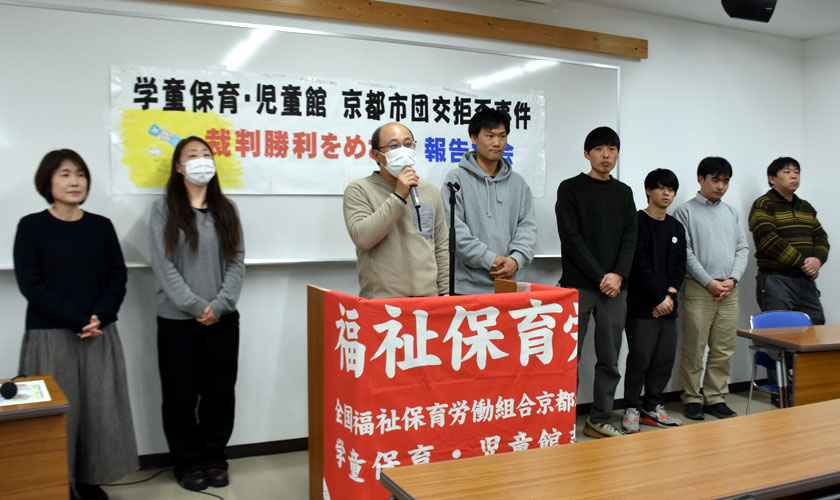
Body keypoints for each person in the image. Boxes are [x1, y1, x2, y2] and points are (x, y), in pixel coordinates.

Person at [13, 149, 138, 500]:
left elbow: (117, 277)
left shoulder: (101, 226)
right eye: (65, 174)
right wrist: (78, 319)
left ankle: (89, 481)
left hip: (99, 332)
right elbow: (31, 284)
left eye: (80, 174)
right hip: (50, 334)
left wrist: (101, 316)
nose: (74, 181)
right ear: (48, 181)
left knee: (100, 411)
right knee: (57, 415)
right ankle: (58, 484)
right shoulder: (31, 226)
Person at [149, 136, 245, 491]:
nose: (201, 160)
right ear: (179, 167)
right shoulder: (164, 210)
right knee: (180, 395)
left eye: (206, 154)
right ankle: (187, 462)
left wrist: (218, 305)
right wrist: (195, 306)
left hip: (222, 318)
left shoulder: (227, 208)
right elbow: (163, 265)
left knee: (220, 393)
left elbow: (237, 261)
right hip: (177, 321)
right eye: (192, 155)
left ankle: (215, 458)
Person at [555, 126, 637, 438]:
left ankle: (600, 418)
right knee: (568, 359)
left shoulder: (624, 193)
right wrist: (601, 276)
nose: (606, 155)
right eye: (600, 149)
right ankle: (562, 421)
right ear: (587, 153)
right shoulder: (570, 188)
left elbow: (630, 238)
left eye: (612, 149)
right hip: (578, 286)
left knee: (610, 359)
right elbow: (571, 238)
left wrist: (618, 275)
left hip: (615, 289)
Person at [674, 157, 748, 421]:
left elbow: (742, 248)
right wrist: (709, 282)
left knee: (723, 348)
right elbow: (685, 253)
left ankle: (715, 396)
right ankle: (692, 398)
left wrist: (733, 279)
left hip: (729, 289)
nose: (721, 186)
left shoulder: (731, 212)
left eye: (725, 181)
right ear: (700, 179)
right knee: (694, 348)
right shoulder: (685, 212)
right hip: (699, 289)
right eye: (715, 180)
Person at [343, 122, 448, 298]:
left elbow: (441, 246)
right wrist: (399, 195)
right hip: (382, 301)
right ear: (376, 155)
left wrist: (444, 293)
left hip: (428, 299)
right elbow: (363, 239)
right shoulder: (359, 189)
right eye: (394, 146)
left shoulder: (429, 190)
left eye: (408, 144)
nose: (403, 151)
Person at [440, 109, 537, 294]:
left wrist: (516, 259)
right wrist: (489, 259)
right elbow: (454, 230)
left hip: (509, 284)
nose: (497, 143)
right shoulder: (456, 180)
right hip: (467, 287)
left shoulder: (518, 183)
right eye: (490, 136)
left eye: (502, 136)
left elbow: (528, 227)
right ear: (474, 138)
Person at [621, 168, 686, 434]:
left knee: (663, 359)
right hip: (641, 306)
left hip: (668, 306)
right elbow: (639, 265)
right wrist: (659, 298)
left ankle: (653, 406)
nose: (666, 193)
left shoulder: (676, 227)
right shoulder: (636, 222)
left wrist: (669, 296)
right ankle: (631, 407)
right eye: (661, 188)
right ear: (648, 190)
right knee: (640, 359)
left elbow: (680, 265)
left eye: (671, 189)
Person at [749, 157, 828, 324]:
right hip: (777, 280)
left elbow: (821, 237)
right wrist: (804, 263)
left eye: (797, 172)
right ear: (772, 178)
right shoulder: (763, 204)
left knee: (816, 327)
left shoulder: (805, 206)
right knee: (781, 332)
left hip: (805, 280)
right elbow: (769, 241)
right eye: (787, 172)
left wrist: (817, 260)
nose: (794, 176)